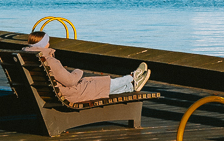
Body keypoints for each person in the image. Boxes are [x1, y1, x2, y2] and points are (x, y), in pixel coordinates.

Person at [21, 32, 149, 102]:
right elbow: (70, 81)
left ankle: (131, 86)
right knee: (99, 84)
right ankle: (131, 77)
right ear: (45, 44)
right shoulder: (47, 59)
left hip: (49, 93)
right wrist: (78, 71)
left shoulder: (26, 57)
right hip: (68, 94)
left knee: (97, 84)